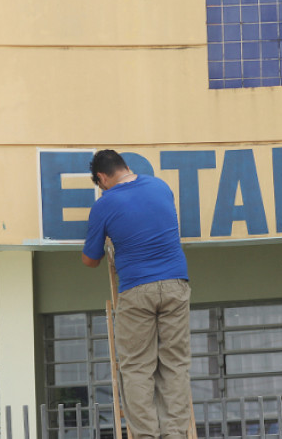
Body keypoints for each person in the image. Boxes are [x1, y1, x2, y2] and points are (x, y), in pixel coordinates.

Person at [82, 149, 191, 439]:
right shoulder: (160, 186)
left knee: (136, 369)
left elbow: (90, 260)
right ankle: (176, 434)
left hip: (136, 289)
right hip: (175, 283)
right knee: (175, 364)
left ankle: (146, 436)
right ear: (125, 166)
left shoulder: (105, 204)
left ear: (102, 177)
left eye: (100, 183)